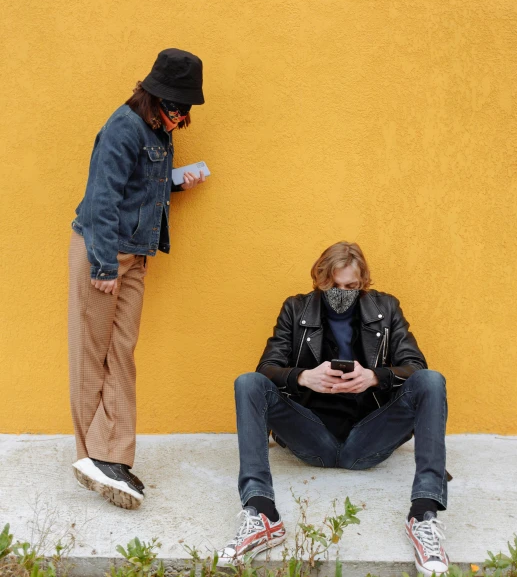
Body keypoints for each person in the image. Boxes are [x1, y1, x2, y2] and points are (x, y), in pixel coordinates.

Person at [218, 242, 451, 576]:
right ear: (320, 279)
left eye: (351, 287)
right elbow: (266, 369)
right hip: (311, 435)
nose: (342, 293)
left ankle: (424, 513)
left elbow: (414, 365)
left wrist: (375, 377)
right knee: (247, 383)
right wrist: (304, 378)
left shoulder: (386, 307)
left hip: (369, 436)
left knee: (431, 380)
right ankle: (261, 511)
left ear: (362, 283)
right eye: (333, 286)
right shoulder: (296, 309)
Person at [68, 48, 206, 509]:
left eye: (185, 112)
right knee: (93, 354)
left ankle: (114, 456)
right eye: (176, 108)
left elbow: (138, 189)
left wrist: (176, 184)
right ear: (155, 95)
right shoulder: (122, 128)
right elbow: (102, 198)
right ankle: (93, 457)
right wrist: (104, 266)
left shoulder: (156, 132)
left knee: (121, 351)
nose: (181, 117)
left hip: (136, 256)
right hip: (103, 253)